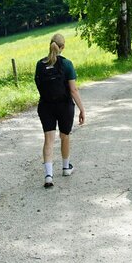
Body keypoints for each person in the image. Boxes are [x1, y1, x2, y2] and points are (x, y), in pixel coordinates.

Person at [34, 33, 86, 188]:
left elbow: (39, 85)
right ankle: (65, 167)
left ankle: (48, 175)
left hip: (45, 106)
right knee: (65, 136)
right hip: (64, 106)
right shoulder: (67, 64)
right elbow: (73, 90)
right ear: (62, 47)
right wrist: (82, 109)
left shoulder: (40, 64)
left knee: (48, 139)